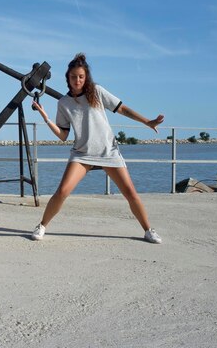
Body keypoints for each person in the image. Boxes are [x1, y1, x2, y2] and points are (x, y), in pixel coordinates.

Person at [31, 53, 164, 244]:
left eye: (81, 77)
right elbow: (63, 135)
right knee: (62, 192)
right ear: (67, 78)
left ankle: (148, 230)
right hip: (82, 154)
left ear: (86, 78)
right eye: (73, 77)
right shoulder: (64, 103)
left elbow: (122, 108)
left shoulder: (97, 92)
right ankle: (42, 225)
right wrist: (46, 118)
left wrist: (147, 122)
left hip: (108, 152)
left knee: (131, 193)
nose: (77, 80)